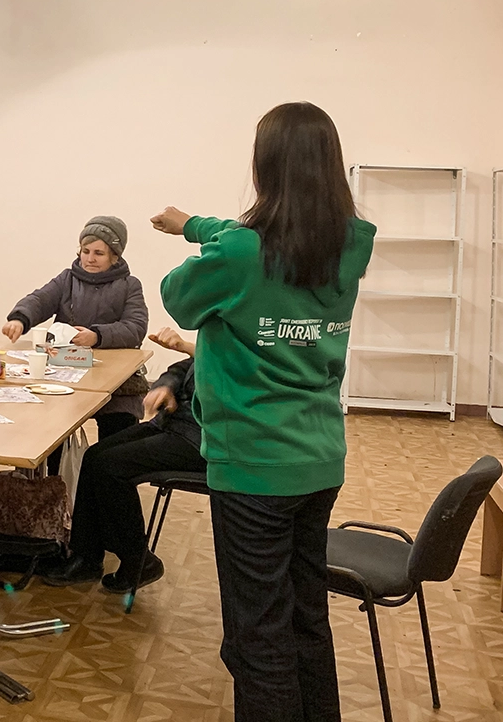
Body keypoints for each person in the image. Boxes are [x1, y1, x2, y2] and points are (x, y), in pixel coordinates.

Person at [152, 101, 376, 722]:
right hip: (320, 460)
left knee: (257, 635)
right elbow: (273, 239)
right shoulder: (351, 244)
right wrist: (197, 223)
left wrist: (203, 231)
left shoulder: (239, 256)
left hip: (252, 466)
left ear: (264, 167)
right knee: (306, 617)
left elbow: (178, 296)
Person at [43, 328, 203, 591]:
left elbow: (224, 366)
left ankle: (137, 560)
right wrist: (166, 385)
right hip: (174, 423)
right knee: (94, 456)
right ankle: (86, 556)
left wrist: (186, 345)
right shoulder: (221, 327)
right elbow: (182, 368)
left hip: (202, 438)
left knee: (110, 467)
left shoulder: (246, 336)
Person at [2, 215, 150, 465]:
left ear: (115, 255)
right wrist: (20, 319)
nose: (90, 258)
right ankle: (52, 488)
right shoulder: (66, 279)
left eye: (99, 253)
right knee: (48, 433)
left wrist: (97, 335)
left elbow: (135, 327)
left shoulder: (129, 285)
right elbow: (39, 300)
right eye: (86, 251)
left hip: (118, 388)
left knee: (114, 446)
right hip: (65, 377)